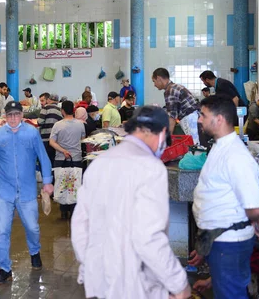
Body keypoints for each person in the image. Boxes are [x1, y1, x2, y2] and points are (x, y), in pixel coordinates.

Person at [71, 106, 191, 299]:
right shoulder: (151, 168)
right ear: (161, 133)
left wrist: (90, 266)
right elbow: (149, 237)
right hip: (135, 284)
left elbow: (79, 225)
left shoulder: (99, 164)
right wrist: (178, 283)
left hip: (99, 282)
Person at [190, 95, 259, 299]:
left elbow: (253, 203)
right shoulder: (221, 147)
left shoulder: (236, 156)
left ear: (219, 119)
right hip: (221, 241)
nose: (199, 120)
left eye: (203, 115)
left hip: (229, 244)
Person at [0, 101, 54, 285]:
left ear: (22, 115)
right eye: (10, 115)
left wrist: (47, 181)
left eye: (16, 114)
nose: (13, 118)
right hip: (5, 192)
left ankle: (34, 251)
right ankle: (4, 269)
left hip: (27, 191)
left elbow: (43, 157)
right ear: (5, 116)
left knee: (32, 227)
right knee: (2, 231)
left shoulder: (31, 133)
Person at [50, 101, 86, 219]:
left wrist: (63, 150)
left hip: (61, 159)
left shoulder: (57, 125)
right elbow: (83, 139)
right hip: (76, 159)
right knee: (75, 185)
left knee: (62, 185)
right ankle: (73, 210)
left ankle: (63, 211)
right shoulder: (80, 124)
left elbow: (52, 142)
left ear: (62, 111)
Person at [152, 67, 202, 144]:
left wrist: (168, 140)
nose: (154, 85)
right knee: (196, 146)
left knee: (195, 147)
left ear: (159, 78)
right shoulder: (175, 87)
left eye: (154, 81)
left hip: (190, 119)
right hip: (195, 117)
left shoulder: (170, 90)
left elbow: (172, 117)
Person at [37, 93, 63, 164]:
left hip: (45, 139)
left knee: (44, 161)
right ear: (57, 102)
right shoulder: (60, 110)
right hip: (55, 141)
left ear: (48, 100)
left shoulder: (45, 108)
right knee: (52, 160)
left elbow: (40, 122)